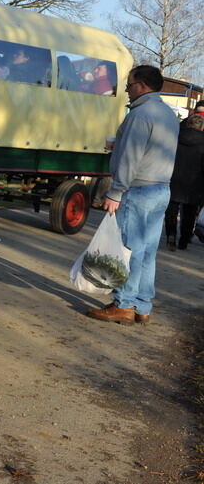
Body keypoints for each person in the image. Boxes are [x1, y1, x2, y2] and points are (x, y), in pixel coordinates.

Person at [88, 65, 178, 325]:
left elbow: (131, 157)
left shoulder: (140, 114)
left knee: (128, 250)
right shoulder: (166, 113)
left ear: (142, 85)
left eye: (129, 85)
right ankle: (142, 305)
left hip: (137, 189)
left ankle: (123, 304)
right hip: (160, 187)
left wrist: (115, 191)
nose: (126, 90)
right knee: (147, 252)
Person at [164, 114, 204, 250]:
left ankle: (171, 234)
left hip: (174, 178)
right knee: (190, 214)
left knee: (171, 210)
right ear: (201, 127)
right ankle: (184, 240)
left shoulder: (175, 138)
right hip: (195, 183)